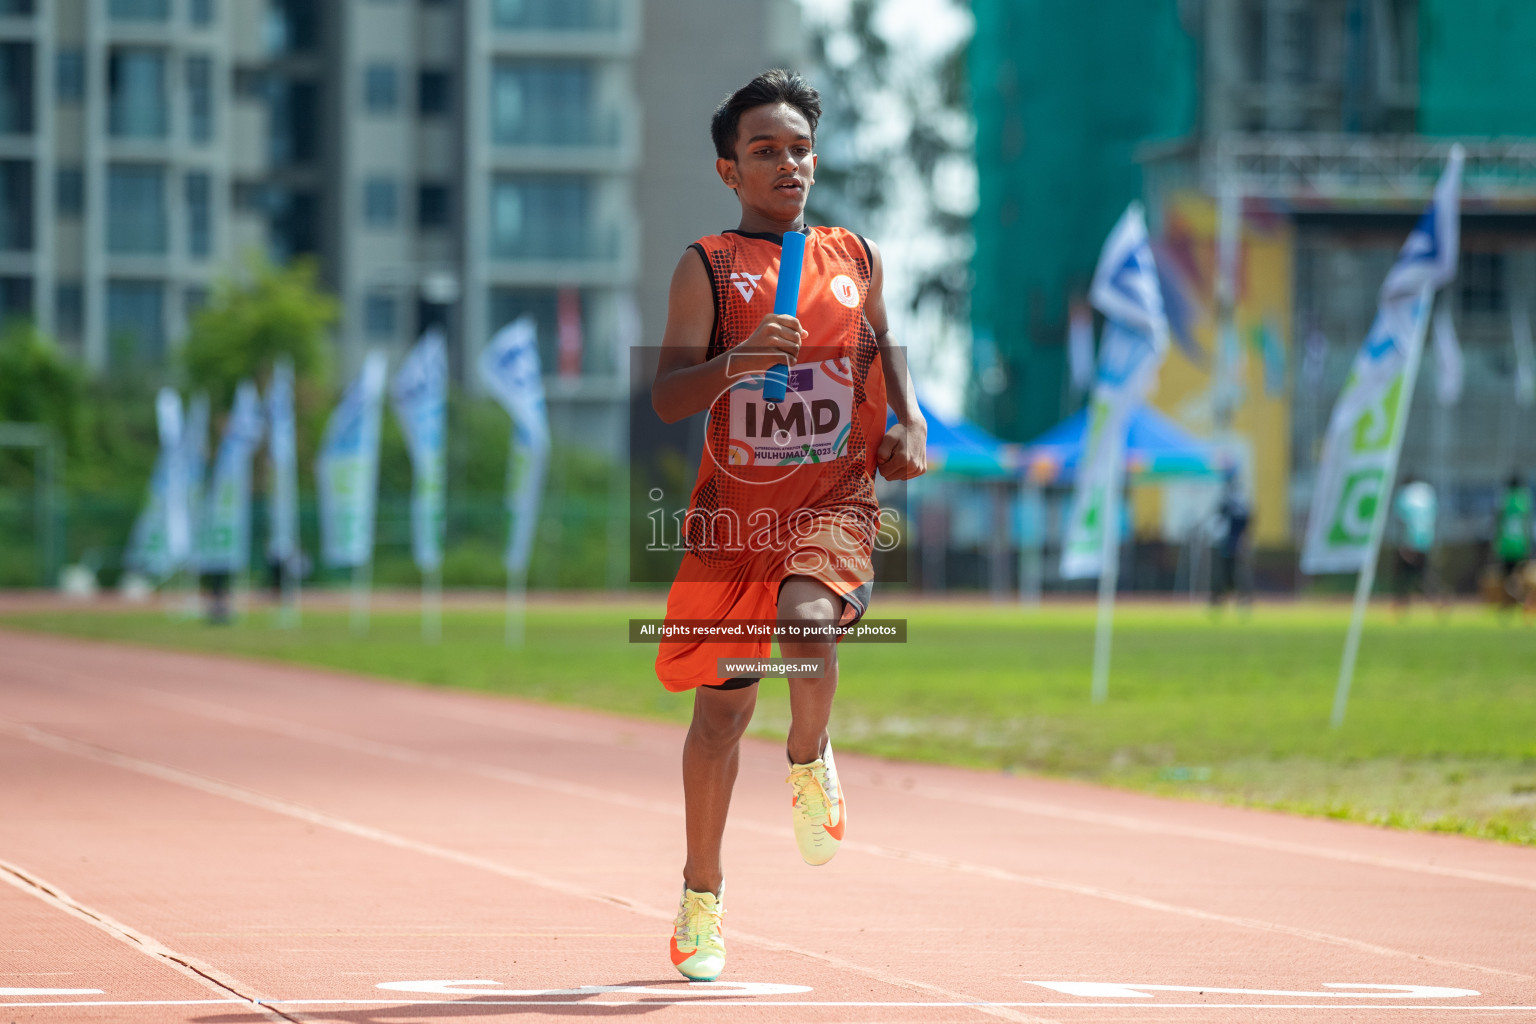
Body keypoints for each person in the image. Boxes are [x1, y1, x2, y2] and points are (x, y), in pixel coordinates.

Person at [650, 70, 925, 982]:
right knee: (722, 717)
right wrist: (734, 363)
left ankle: (808, 758)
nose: (788, 164)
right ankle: (702, 894)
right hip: (736, 520)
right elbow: (665, 397)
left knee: (807, 626)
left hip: (831, 502)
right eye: (766, 151)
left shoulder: (856, 256)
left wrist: (908, 423)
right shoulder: (709, 266)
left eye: (800, 148)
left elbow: (883, 341)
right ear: (730, 170)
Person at [1392, 474, 1437, 614]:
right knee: (1422, 572)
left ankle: (1402, 602)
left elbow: (1402, 520)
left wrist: (1403, 542)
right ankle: (1435, 598)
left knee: (1404, 574)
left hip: (1409, 540)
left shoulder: (1404, 494)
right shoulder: (1426, 492)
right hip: (1425, 540)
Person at [1209, 470, 1251, 608]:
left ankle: (1240, 599)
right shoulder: (1233, 502)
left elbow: (1243, 522)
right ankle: (1222, 599)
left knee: (1235, 573)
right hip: (1227, 543)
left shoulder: (1235, 502)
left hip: (1232, 543)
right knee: (1225, 572)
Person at [1495, 473, 1532, 605]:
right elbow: (1525, 523)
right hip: (1520, 544)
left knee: (1507, 576)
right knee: (1520, 576)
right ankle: (1520, 599)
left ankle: (1517, 600)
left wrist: (1496, 543)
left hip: (1507, 544)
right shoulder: (1523, 499)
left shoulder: (1505, 498)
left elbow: (1499, 521)